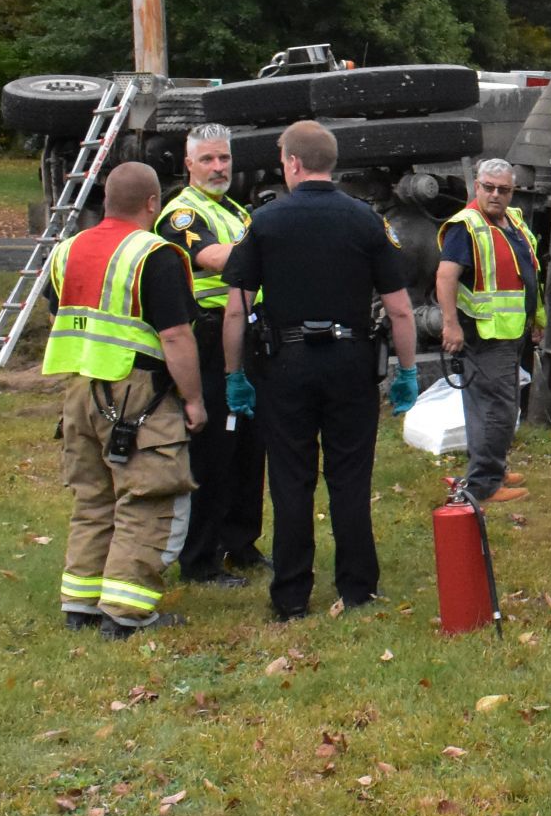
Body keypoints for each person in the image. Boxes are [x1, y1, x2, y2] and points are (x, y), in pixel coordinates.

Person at [220, 121, 420, 622]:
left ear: (291, 162)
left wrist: (233, 375)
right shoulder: (366, 221)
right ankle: (357, 588)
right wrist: (407, 371)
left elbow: (235, 308)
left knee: (291, 480)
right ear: (331, 163)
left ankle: (290, 597)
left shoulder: (264, 221)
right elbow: (399, 309)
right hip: (350, 363)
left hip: (285, 363)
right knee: (350, 477)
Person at [43, 162, 206, 640]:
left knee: (93, 496)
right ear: (153, 203)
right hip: (139, 393)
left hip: (79, 388)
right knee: (151, 494)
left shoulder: (66, 250)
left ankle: (81, 603)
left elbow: (62, 314)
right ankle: (127, 612)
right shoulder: (155, 254)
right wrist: (193, 400)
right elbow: (175, 336)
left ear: (108, 200)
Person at [156, 122, 267, 586]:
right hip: (209, 340)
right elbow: (214, 259)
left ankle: (241, 544)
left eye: (224, 158)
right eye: (207, 159)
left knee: (248, 446)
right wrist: (269, 247)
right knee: (213, 451)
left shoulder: (237, 210)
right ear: (188, 165)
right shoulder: (181, 213)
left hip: (248, 334)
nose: (218, 167)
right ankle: (199, 558)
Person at [436, 158, 542, 504]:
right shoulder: (465, 226)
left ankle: (490, 467)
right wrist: (450, 325)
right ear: (477, 187)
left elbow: (527, 275)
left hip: (512, 330)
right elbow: (446, 277)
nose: (496, 195)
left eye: (504, 189)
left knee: (490, 405)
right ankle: (485, 483)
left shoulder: (513, 221)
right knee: (497, 407)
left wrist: (537, 319)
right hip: (485, 333)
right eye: (489, 188)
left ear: (513, 191)